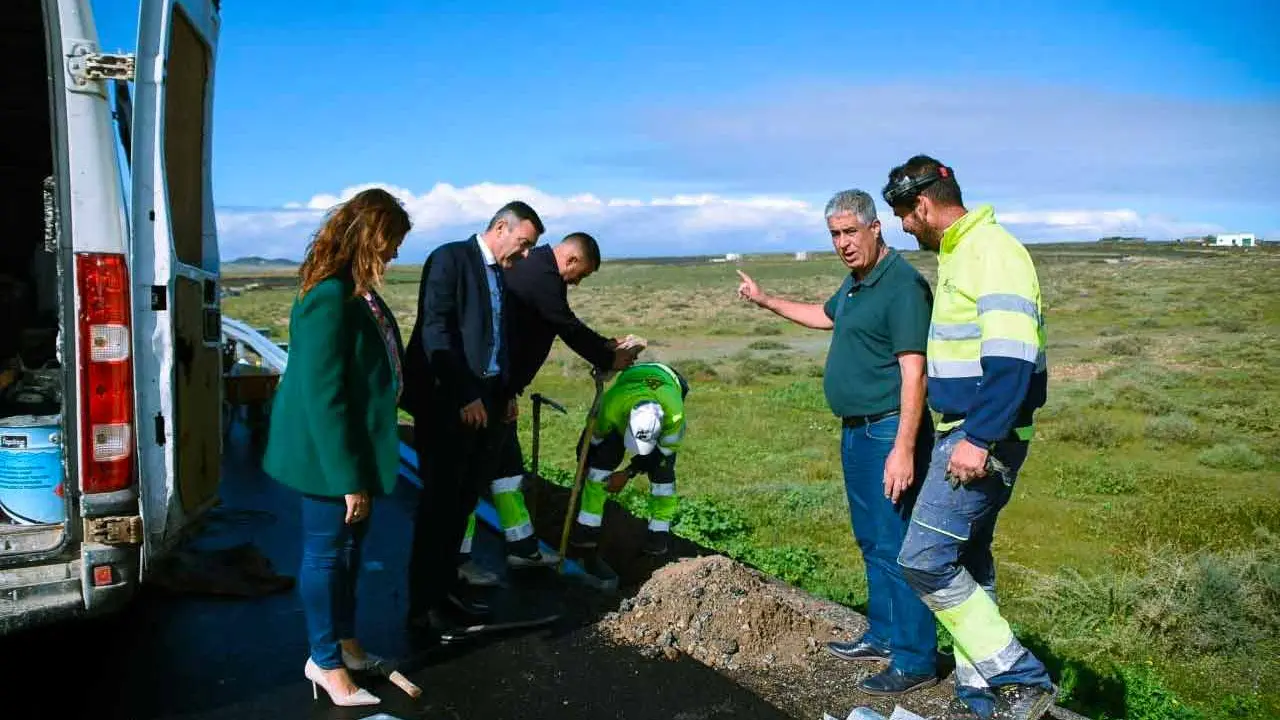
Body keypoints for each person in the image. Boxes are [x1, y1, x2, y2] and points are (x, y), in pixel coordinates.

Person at [736, 189, 939, 696]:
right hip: (856, 430)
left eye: (851, 232)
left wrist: (904, 447)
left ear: (876, 228)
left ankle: (916, 658)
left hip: (888, 430)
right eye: (835, 235)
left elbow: (915, 372)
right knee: (872, 540)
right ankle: (884, 634)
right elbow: (824, 316)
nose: (843, 244)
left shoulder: (903, 286)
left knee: (898, 545)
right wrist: (765, 300)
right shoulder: (857, 283)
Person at [882, 155, 1056, 720]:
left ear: (925, 205)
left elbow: (1012, 357)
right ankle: (981, 691)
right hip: (969, 431)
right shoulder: (963, 252)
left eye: (906, 216)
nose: (906, 229)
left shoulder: (992, 251)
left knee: (926, 558)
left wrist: (978, 437)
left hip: (980, 437)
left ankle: (1020, 678)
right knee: (970, 561)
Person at [261, 188, 411, 707]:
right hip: (328, 455)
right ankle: (324, 662)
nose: (395, 255)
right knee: (327, 554)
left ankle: (345, 644)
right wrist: (348, 478)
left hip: (355, 446)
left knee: (349, 552)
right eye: (391, 242)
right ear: (370, 236)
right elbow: (324, 396)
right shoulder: (328, 294)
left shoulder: (355, 288)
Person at [455, 232, 642, 586]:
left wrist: (510, 392)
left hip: (499, 390)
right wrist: (607, 356)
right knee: (472, 473)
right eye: (581, 275)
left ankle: (522, 546)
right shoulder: (540, 274)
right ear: (571, 260)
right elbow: (564, 324)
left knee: (507, 469)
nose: (578, 282)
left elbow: (547, 324)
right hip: (483, 393)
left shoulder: (538, 273)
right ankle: (457, 559)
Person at [401, 200, 542, 639]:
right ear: (501, 227)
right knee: (439, 510)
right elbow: (437, 332)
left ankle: (445, 592)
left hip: (488, 406)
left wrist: (507, 393)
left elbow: (497, 338)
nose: (523, 256)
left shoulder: (499, 272)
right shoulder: (450, 259)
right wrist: (465, 393)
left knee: (462, 504)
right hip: (448, 405)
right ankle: (422, 608)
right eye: (522, 244)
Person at [570, 361, 689, 557]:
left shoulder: (675, 417)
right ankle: (586, 531)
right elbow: (591, 439)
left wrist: (628, 473)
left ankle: (658, 535)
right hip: (629, 383)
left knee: (663, 474)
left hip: (671, 382)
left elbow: (662, 453)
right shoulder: (611, 406)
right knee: (599, 467)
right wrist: (583, 465)